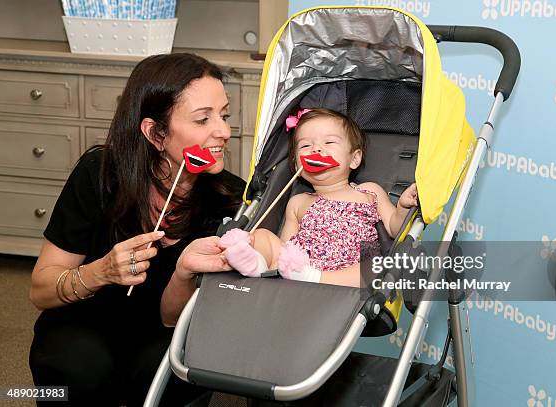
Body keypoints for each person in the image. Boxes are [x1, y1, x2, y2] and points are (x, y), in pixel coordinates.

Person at [29, 53, 242, 406]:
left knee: (174, 371)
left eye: (224, 115)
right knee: (77, 367)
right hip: (83, 324)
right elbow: (40, 290)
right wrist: (101, 272)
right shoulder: (99, 174)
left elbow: (178, 320)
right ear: (155, 133)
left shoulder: (230, 200)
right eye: (203, 119)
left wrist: (184, 273)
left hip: (163, 333)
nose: (223, 131)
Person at [219, 108, 418, 287]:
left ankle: (316, 277)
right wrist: (276, 255)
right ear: (297, 165)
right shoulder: (298, 202)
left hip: (347, 271)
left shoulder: (368, 192)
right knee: (262, 236)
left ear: (354, 159)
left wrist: (402, 206)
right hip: (302, 267)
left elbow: (394, 227)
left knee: (374, 267)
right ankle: (255, 264)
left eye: (329, 142)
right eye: (305, 146)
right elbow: (287, 248)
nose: (316, 150)